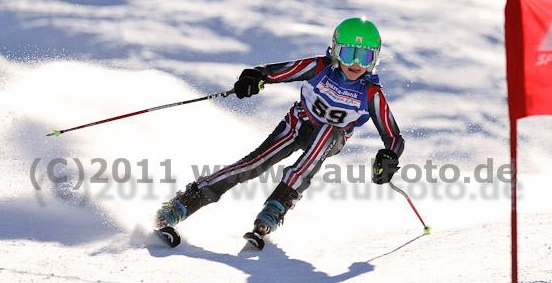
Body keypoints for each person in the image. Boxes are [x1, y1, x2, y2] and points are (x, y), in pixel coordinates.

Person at [155, 17, 405, 249]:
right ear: (335, 50)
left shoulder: (371, 93)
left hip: (329, 139)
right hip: (297, 125)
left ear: (375, 58)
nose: (356, 63)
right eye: (349, 53)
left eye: (365, 56)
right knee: (253, 165)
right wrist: (255, 77)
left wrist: (389, 156)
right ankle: (183, 204)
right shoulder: (320, 67)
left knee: (328, 132)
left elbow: (393, 137)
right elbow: (277, 72)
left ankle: (276, 207)